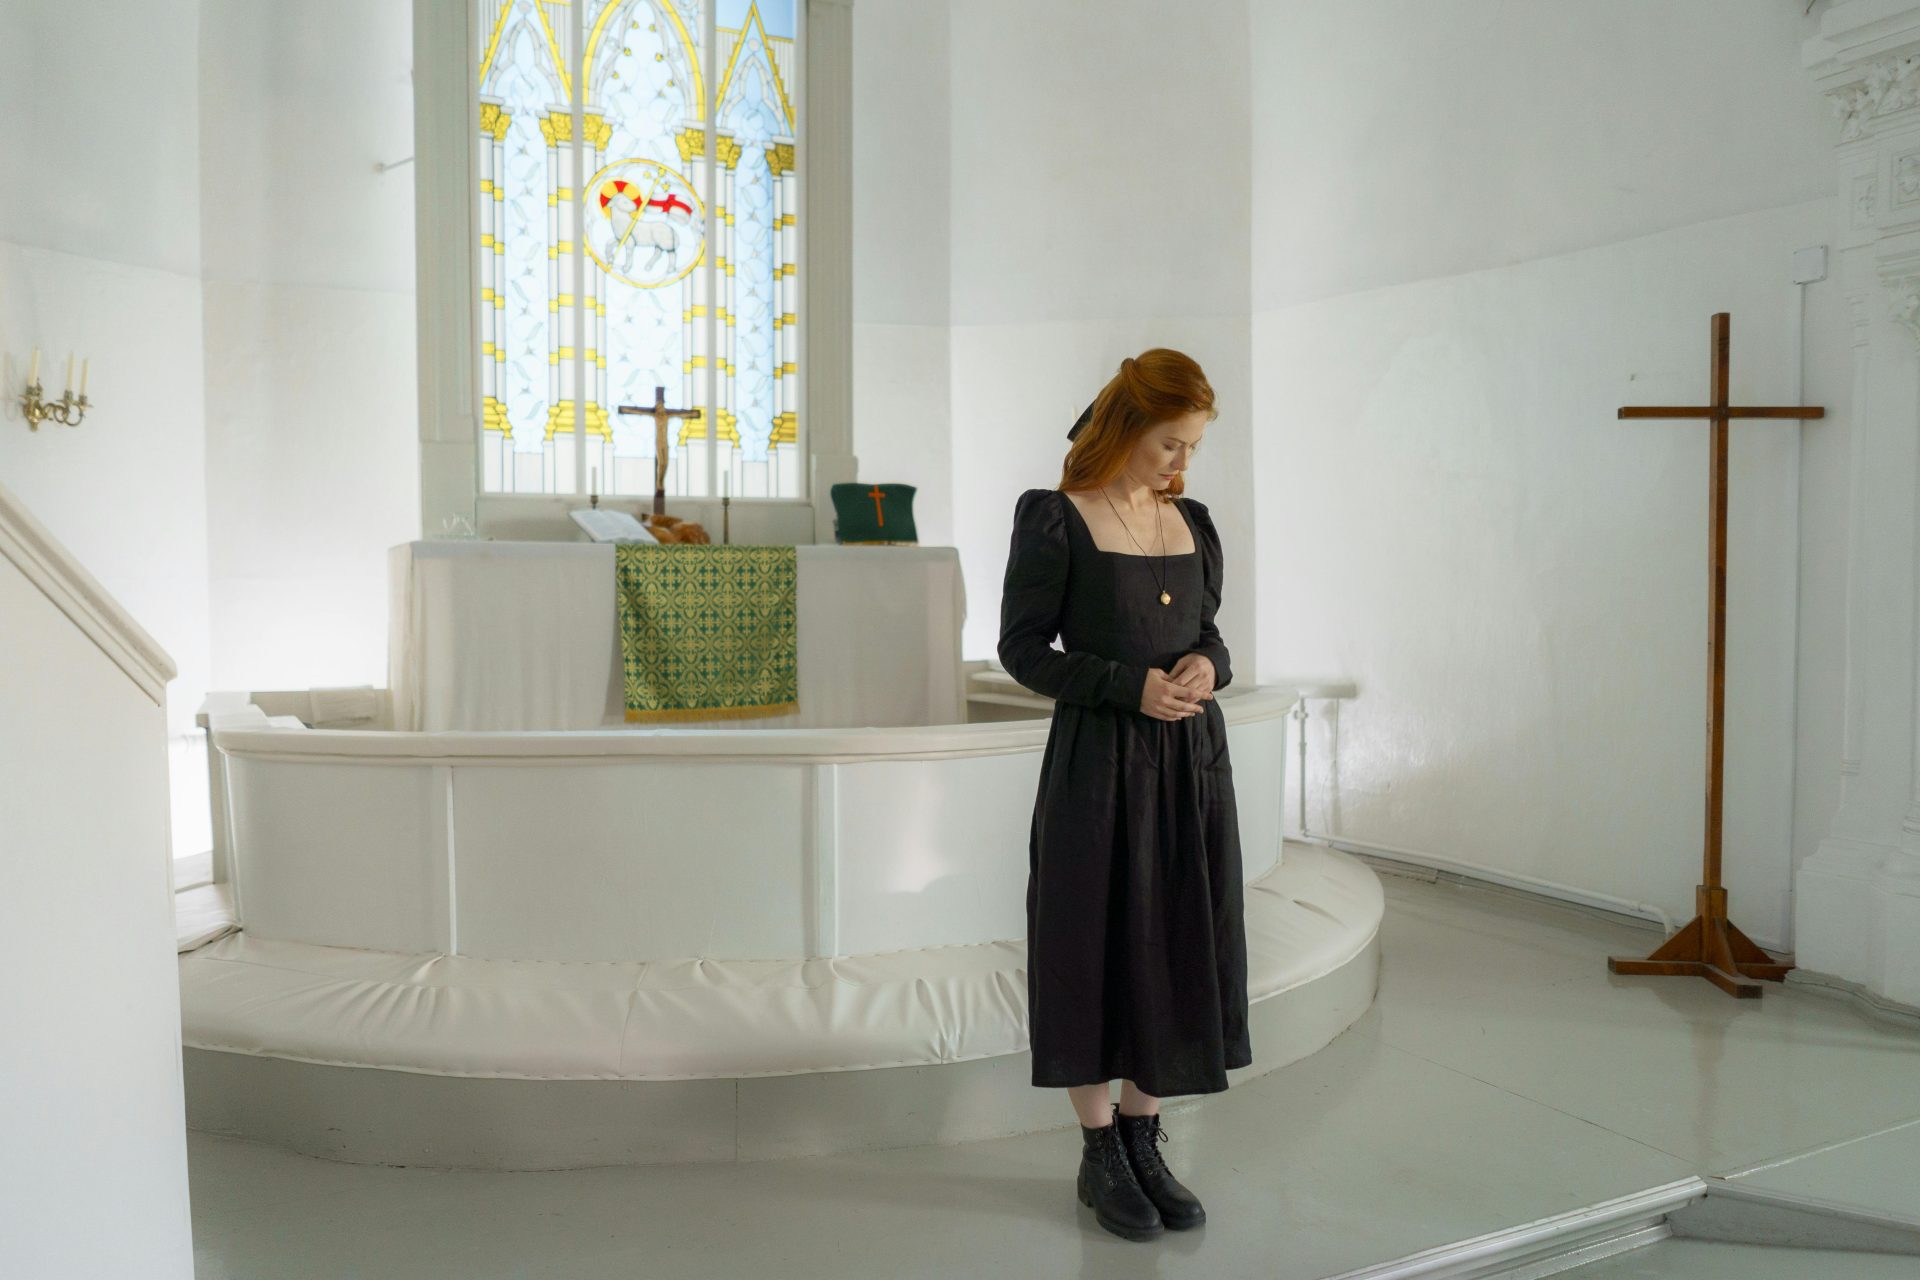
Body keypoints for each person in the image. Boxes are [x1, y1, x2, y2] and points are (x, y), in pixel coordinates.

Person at [996, 348, 1250, 1242]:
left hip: (1189, 768)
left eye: (1191, 447)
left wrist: (1205, 669)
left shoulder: (1197, 523)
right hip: (1099, 765)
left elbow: (1214, 635)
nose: (1181, 464)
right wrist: (1127, 686)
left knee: (1179, 937)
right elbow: (1023, 652)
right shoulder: (1056, 518)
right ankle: (1099, 1147)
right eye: (1170, 445)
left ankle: (1145, 1136)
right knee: (1091, 941)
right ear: (1126, 429)